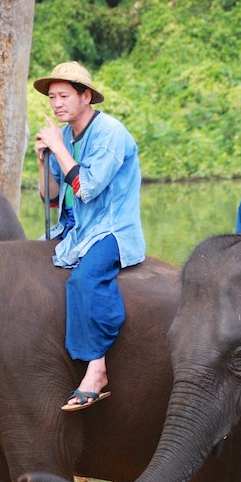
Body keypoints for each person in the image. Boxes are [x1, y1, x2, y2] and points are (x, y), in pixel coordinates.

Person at [33, 61, 146, 411]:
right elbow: (51, 197)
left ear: (85, 96)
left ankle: (96, 368)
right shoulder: (64, 137)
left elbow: (85, 188)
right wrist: (42, 161)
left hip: (111, 229)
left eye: (64, 95)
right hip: (76, 228)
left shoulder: (109, 132)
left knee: (84, 281)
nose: (56, 104)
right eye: (52, 97)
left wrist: (58, 147)